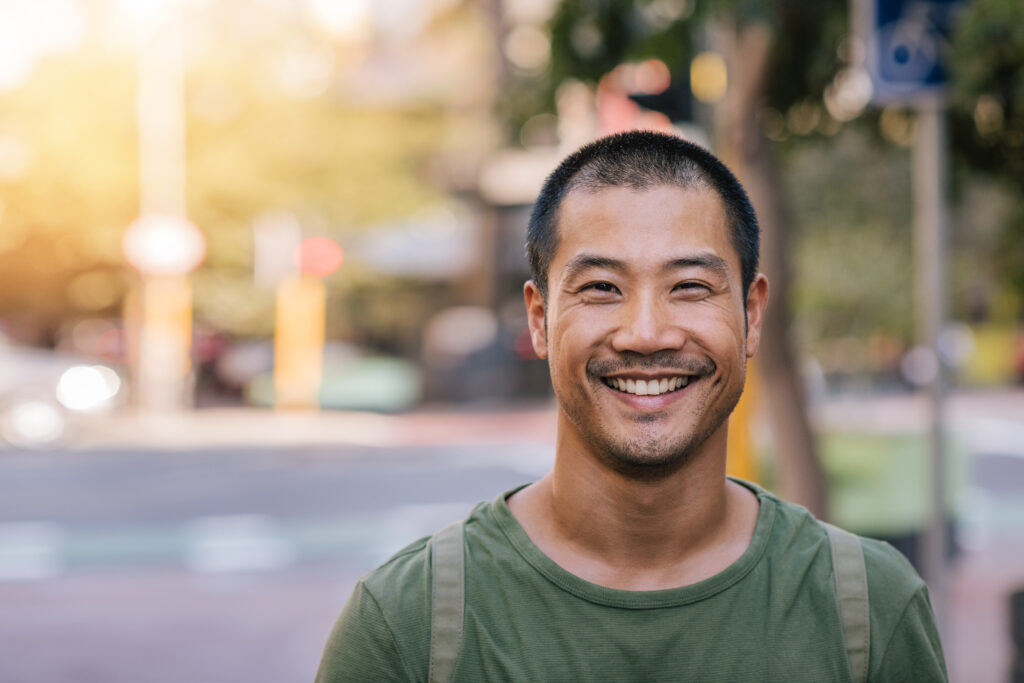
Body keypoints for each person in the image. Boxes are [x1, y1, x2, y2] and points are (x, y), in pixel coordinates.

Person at [315, 131, 948, 682]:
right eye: (601, 289)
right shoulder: (410, 626)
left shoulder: (868, 608)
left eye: (690, 287)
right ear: (539, 319)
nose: (646, 334)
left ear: (751, 315)